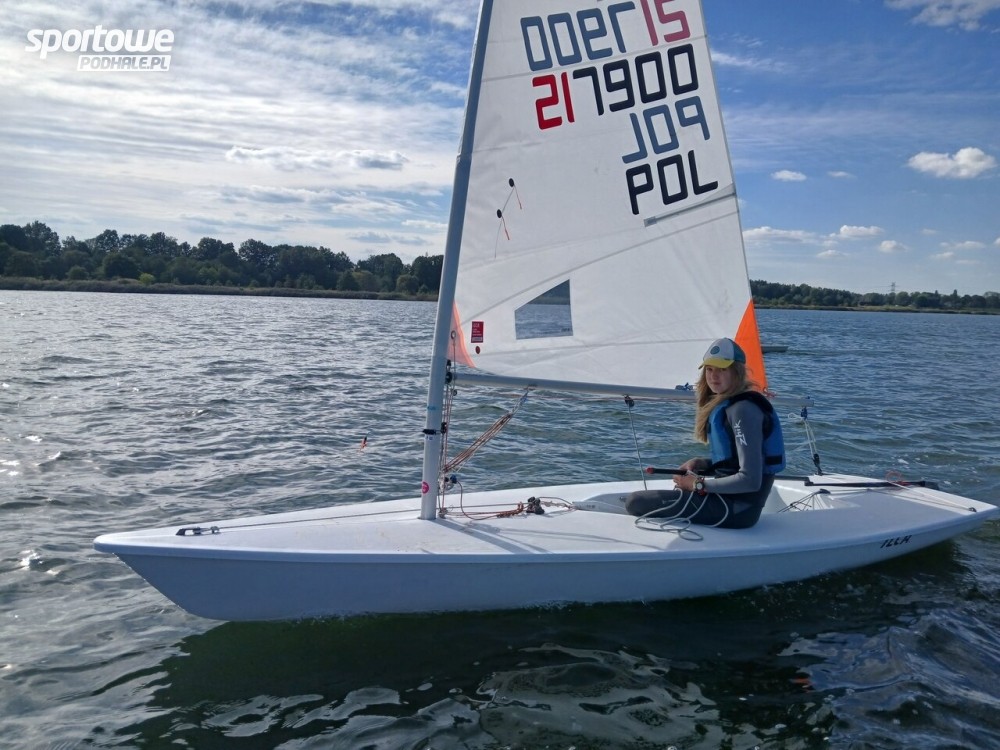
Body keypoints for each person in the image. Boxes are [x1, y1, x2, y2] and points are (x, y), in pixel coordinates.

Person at [625, 337, 785, 529]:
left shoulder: (743, 409)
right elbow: (735, 463)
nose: (713, 376)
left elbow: (750, 480)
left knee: (636, 502)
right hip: (727, 502)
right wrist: (702, 464)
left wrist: (698, 484)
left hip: (736, 511)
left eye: (722, 369)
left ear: (736, 372)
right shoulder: (734, 405)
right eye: (709, 369)